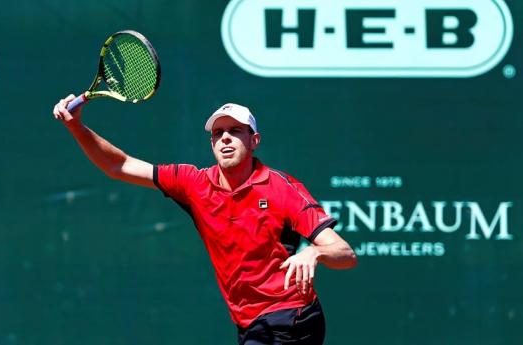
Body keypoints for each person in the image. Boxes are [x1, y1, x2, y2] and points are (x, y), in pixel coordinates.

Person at [53, 96, 357, 345]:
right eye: (217, 133)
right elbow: (120, 165)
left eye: (235, 131)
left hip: (292, 317)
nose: (225, 138)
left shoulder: (282, 188)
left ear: (254, 140)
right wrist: (77, 127)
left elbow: (346, 254)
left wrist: (315, 252)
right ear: (211, 144)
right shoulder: (193, 183)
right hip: (249, 322)